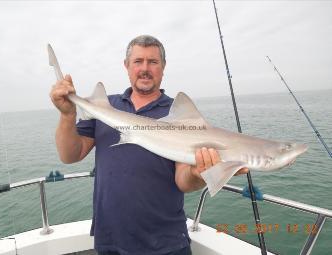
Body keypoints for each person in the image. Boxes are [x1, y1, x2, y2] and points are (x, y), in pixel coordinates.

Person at [50, 35, 248, 255]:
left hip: (166, 244)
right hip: (110, 239)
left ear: (163, 67)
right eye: (138, 61)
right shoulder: (105, 108)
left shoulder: (180, 116)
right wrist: (67, 115)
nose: (145, 68)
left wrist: (198, 173)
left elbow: (183, 181)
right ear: (127, 66)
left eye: (153, 62)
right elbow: (70, 155)